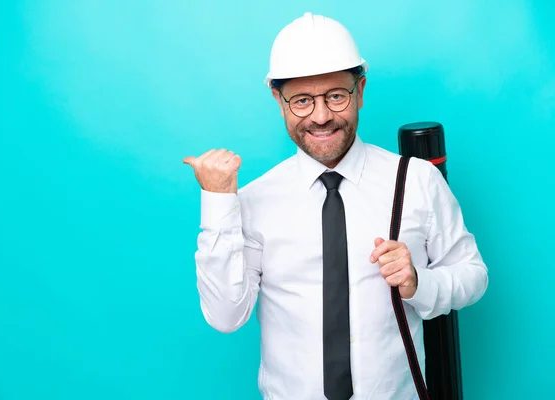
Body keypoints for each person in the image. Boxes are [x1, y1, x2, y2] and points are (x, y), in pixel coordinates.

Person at [183, 12, 488, 400]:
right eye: (303, 101)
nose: (322, 116)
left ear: (360, 91)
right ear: (279, 101)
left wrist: (417, 283)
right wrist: (217, 203)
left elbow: (473, 275)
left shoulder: (415, 180)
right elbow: (226, 316)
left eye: (336, 96)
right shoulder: (255, 200)